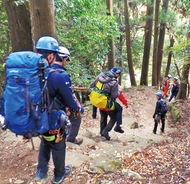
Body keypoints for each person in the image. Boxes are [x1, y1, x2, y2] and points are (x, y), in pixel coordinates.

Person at [34, 36, 81, 184]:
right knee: (58, 145)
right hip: (52, 118)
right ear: (51, 55)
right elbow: (70, 102)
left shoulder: (34, 72)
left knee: (45, 141)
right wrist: (79, 109)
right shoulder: (59, 76)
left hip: (36, 116)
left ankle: (41, 172)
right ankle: (59, 175)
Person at [54, 46, 83, 145]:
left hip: (46, 106)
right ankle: (71, 139)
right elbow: (68, 96)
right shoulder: (62, 75)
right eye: (66, 60)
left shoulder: (45, 71)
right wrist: (76, 107)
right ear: (63, 58)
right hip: (58, 107)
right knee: (76, 117)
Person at [90, 67, 123, 139]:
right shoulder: (114, 82)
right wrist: (119, 90)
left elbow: (91, 85)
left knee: (103, 116)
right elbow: (114, 95)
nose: (119, 76)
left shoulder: (100, 76)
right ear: (116, 74)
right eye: (119, 74)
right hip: (106, 103)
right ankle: (108, 130)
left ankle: (102, 132)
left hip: (98, 101)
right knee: (115, 115)